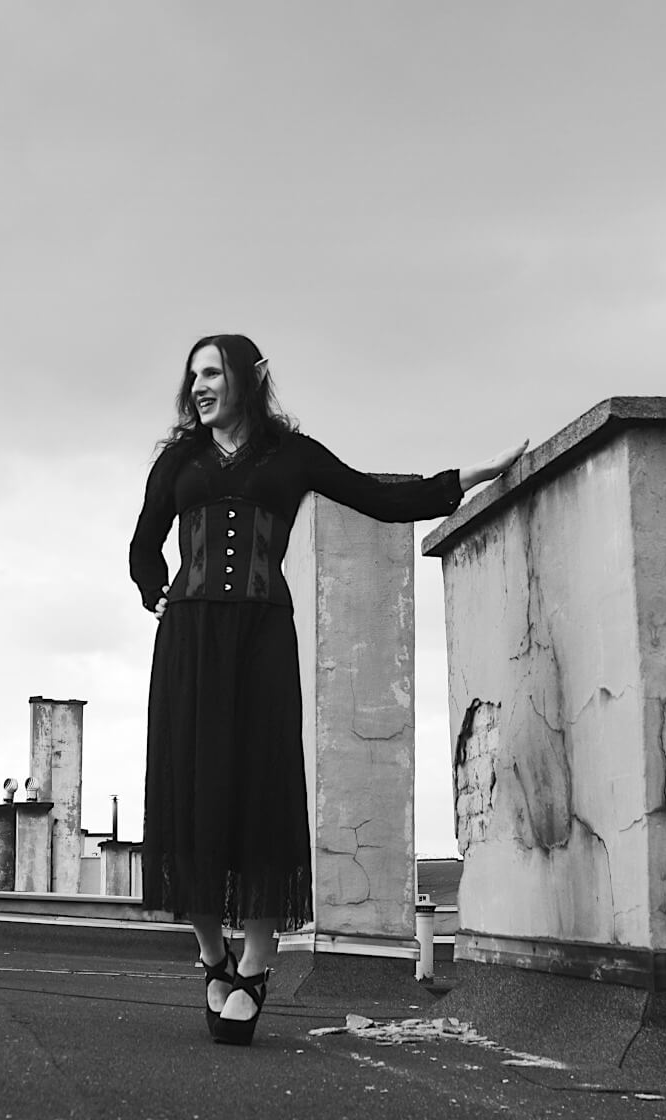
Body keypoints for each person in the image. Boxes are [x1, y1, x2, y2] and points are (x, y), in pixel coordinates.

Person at [128, 334, 523, 1046]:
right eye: (193, 377)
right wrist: (156, 592)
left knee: (260, 791)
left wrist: (464, 477)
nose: (200, 388)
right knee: (189, 793)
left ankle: (254, 961)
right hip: (188, 646)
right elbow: (142, 544)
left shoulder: (293, 456)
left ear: (251, 377)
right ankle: (211, 954)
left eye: (213, 373)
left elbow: (378, 498)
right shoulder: (177, 460)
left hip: (261, 646)